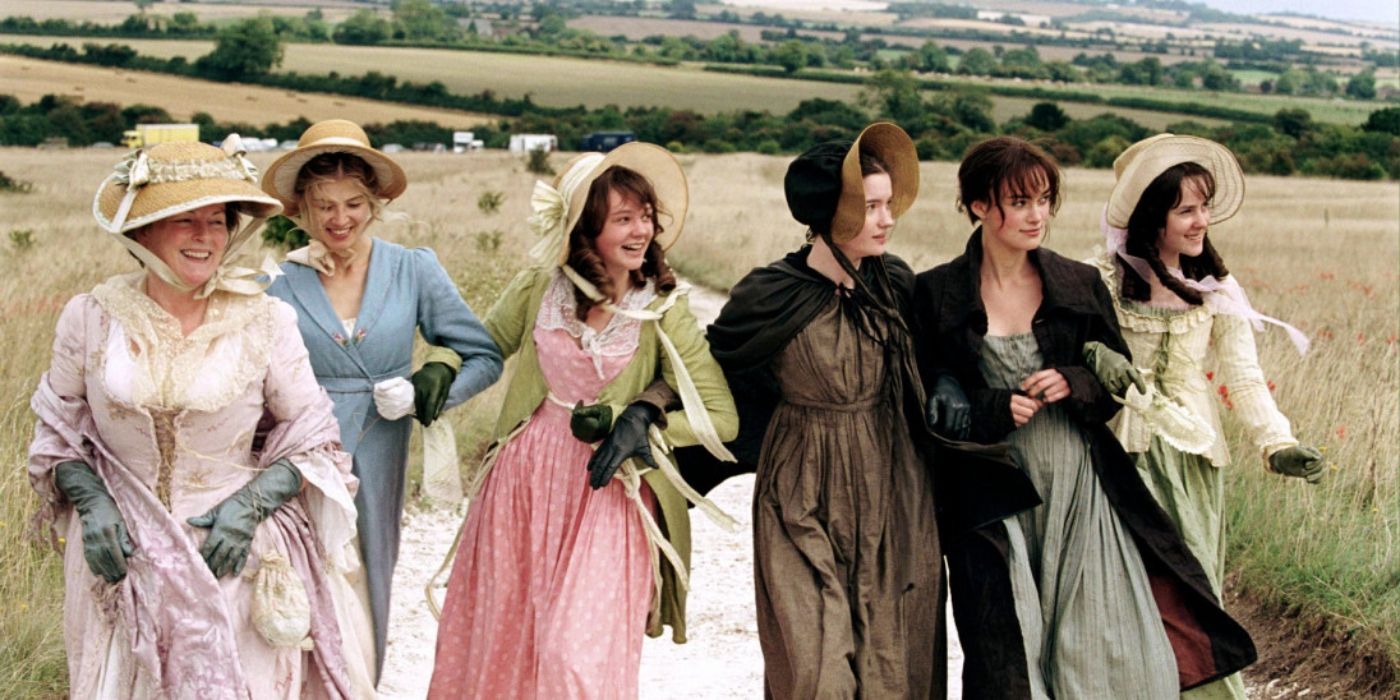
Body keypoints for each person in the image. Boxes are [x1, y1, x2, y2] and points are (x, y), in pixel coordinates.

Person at [912, 135, 1258, 698]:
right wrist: (993, 406)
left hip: (1081, 485)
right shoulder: (936, 294)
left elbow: (1111, 390)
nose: (1037, 215)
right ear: (979, 205)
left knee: (1108, 649)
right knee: (1012, 653)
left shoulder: (1076, 283)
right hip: (993, 499)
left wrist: (1073, 380)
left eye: (1045, 199)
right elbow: (925, 405)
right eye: (1020, 201)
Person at [28, 138, 360, 698]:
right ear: (142, 231)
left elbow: (315, 435)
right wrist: (90, 499)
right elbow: (56, 432)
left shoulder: (265, 319)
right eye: (185, 220)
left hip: (229, 553)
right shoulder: (90, 317)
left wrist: (247, 507)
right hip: (120, 559)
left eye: (216, 221)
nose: (205, 236)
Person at [427, 142, 738, 698]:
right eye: (623, 218)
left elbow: (721, 417)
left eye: (646, 216)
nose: (642, 230)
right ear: (586, 228)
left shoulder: (662, 307)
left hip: (608, 492)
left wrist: (640, 418)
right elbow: (482, 347)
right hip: (524, 483)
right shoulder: (539, 287)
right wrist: (438, 369)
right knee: (506, 640)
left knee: (576, 659)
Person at [690, 123, 947, 697]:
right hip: (801, 487)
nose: (887, 219)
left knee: (890, 658)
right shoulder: (771, 294)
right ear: (831, 211)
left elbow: (939, 359)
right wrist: (649, 408)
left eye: (888, 205)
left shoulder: (896, 285)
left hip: (892, 488)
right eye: (872, 206)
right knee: (816, 665)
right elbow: (705, 367)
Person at [260, 119, 504, 685]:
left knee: (370, 577)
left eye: (352, 204)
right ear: (300, 208)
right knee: (300, 583)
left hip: (380, 449)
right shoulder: (280, 283)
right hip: (299, 457)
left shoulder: (413, 267)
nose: (338, 219)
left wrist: (423, 394)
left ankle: (362, 686)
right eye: (323, 206)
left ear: (374, 204)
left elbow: (483, 356)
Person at [1091, 134, 1324, 699]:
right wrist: (1093, 355)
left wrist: (1277, 443)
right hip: (1116, 458)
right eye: (1187, 209)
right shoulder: (1100, 277)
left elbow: (1244, 378)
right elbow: (1061, 341)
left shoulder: (1218, 288)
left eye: (1205, 207)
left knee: (1191, 598)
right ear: (1153, 215)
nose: (1201, 221)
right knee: (1119, 597)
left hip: (1193, 462)